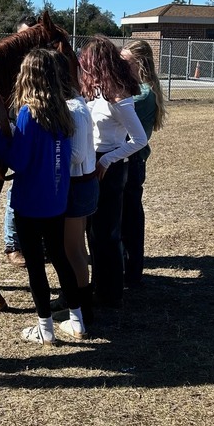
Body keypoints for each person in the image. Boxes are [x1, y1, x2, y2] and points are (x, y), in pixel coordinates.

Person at [0, 47, 87, 344]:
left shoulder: (27, 115)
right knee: (60, 259)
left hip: (30, 203)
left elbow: (18, 161)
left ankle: (45, 330)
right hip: (57, 200)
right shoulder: (64, 113)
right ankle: (77, 322)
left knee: (35, 266)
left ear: (26, 76)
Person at [79, 36, 148, 309]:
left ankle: (112, 292)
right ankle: (98, 285)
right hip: (90, 163)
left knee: (107, 233)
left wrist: (107, 160)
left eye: (87, 63)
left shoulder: (120, 97)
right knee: (93, 232)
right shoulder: (94, 91)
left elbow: (139, 139)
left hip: (110, 166)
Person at [54, 49, 98, 327]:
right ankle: (74, 298)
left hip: (78, 185)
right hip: (80, 184)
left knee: (73, 249)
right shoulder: (73, 105)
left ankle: (82, 308)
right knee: (73, 248)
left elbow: (77, 155)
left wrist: (50, 148)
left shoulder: (74, 109)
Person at [120, 40, 166, 286]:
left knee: (129, 217)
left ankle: (131, 271)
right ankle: (131, 269)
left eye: (124, 62)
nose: (119, 65)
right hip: (132, 159)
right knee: (131, 215)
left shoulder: (142, 93)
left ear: (138, 63)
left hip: (132, 160)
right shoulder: (140, 88)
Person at [3, 14, 39, 267]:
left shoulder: (39, 67)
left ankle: (35, 241)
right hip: (17, 130)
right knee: (15, 189)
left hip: (34, 129)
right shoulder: (7, 65)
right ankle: (12, 244)